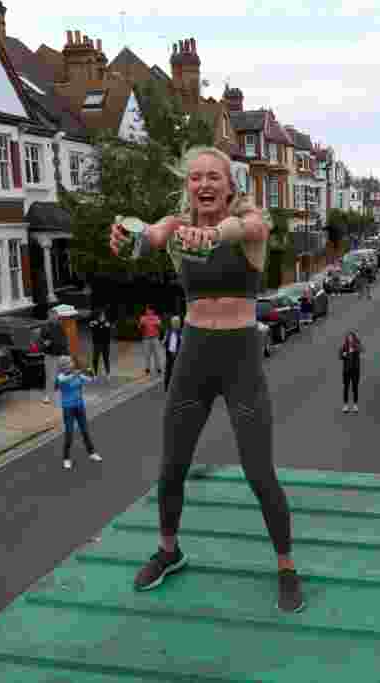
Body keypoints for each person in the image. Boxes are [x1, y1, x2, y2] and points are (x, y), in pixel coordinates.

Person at [109, 145, 302, 612]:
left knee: (260, 472)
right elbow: (150, 236)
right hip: (194, 357)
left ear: (230, 185)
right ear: (187, 186)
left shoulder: (249, 224)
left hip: (240, 360)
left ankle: (286, 566)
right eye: (195, 178)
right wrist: (126, 237)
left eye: (213, 176)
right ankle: (169, 551)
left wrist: (218, 234)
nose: (204, 185)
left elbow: (251, 226)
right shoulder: (178, 228)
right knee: (171, 466)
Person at [55, 356, 102, 470]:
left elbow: (92, 380)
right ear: (63, 366)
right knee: (69, 434)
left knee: (85, 431)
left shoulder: (78, 375)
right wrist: (76, 373)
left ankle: (92, 453)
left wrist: (92, 372)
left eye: (71, 362)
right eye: (68, 363)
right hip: (68, 409)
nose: (71, 364)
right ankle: (66, 458)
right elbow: (63, 381)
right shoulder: (60, 376)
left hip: (80, 407)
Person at [40, 309, 71, 404]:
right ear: (49, 317)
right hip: (50, 356)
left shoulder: (59, 326)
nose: (55, 318)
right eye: (53, 316)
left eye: (56, 316)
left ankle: (66, 394)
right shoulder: (45, 327)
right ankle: (47, 396)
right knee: (51, 377)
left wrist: (66, 352)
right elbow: (41, 341)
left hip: (61, 355)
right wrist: (45, 344)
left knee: (64, 376)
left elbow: (64, 339)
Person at [340, 331, 362, 413]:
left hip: (355, 370)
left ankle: (355, 405)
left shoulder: (357, 346)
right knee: (346, 387)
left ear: (354, 338)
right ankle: (345, 405)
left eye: (351, 337)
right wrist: (343, 355)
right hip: (346, 371)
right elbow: (339, 355)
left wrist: (355, 345)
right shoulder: (344, 346)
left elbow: (362, 349)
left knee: (355, 388)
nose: (350, 339)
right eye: (348, 337)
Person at [88, 308, 113, 380]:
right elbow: (91, 326)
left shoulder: (107, 323)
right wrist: (93, 324)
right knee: (95, 359)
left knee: (106, 359)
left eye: (103, 316)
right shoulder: (94, 323)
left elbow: (109, 330)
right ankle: (95, 374)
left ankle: (108, 373)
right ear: (98, 316)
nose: (102, 317)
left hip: (105, 344)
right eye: (101, 315)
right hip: (97, 344)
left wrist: (106, 326)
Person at [139, 306, 164, 376]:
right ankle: (147, 368)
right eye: (147, 310)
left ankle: (158, 368)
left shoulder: (156, 318)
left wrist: (158, 325)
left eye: (149, 310)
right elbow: (139, 328)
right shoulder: (143, 318)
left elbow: (161, 327)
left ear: (152, 311)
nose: (147, 311)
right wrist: (141, 325)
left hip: (155, 338)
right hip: (146, 338)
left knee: (157, 354)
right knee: (147, 354)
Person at [163, 316, 183, 391]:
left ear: (179, 323)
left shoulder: (182, 332)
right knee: (168, 371)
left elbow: (184, 343)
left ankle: (178, 388)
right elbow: (165, 341)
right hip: (169, 354)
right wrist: (164, 342)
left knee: (178, 372)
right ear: (171, 323)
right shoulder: (168, 331)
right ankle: (167, 387)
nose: (175, 324)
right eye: (174, 322)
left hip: (178, 355)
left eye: (177, 322)